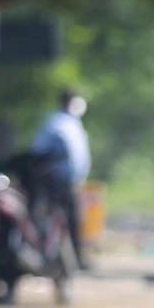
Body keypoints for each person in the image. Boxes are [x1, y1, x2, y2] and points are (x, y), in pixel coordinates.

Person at [30, 90, 92, 270]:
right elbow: (39, 149)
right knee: (52, 220)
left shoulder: (73, 122)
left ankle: (76, 258)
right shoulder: (56, 122)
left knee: (74, 221)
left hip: (71, 182)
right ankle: (46, 255)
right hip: (55, 181)